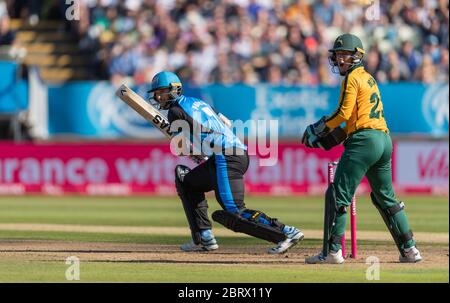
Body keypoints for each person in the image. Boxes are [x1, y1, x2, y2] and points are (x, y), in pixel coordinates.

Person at [148, 71, 304, 254]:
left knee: (234, 210)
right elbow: (226, 122)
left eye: (162, 92)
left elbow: (182, 145)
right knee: (187, 182)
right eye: (157, 93)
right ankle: (203, 238)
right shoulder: (198, 102)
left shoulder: (175, 111)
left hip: (226, 157)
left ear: (174, 90)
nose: (158, 97)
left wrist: (192, 148)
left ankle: (286, 232)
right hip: (229, 153)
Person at [302, 34, 422, 264]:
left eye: (343, 55)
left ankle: (333, 252)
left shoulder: (352, 78)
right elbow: (355, 118)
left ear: (356, 55)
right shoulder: (369, 78)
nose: (339, 60)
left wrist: (318, 128)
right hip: (384, 140)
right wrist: (334, 136)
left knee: (339, 194)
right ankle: (410, 250)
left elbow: (343, 114)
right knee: (386, 198)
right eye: (336, 55)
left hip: (365, 141)